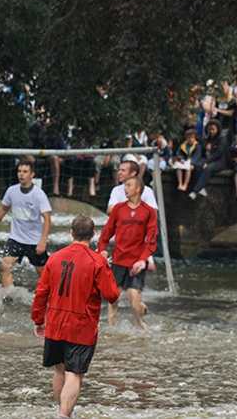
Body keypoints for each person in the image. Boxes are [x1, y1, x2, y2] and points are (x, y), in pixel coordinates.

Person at [31, 214, 119, 419]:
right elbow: (112, 295)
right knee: (74, 373)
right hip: (82, 325)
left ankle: (65, 412)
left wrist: (38, 319)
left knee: (59, 370)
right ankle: (63, 414)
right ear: (93, 235)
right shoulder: (97, 261)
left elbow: (41, 292)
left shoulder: (54, 258)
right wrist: (106, 265)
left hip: (54, 322)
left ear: (71, 233)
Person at [0, 159, 51, 302]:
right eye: (19, 171)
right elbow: (2, 209)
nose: (21, 174)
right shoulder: (12, 191)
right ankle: (8, 298)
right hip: (16, 238)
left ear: (32, 174)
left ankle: (49, 298)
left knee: (44, 274)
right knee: (5, 265)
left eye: (25, 172)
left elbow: (47, 218)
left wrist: (43, 241)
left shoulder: (39, 195)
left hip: (34, 241)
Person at [98, 177, 158, 330]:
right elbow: (107, 231)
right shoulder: (118, 209)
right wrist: (102, 249)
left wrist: (143, 259)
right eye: (125, 186)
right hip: (118, 259)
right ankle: (112, 330)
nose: (125, 188)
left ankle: (141, 325)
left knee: (134, 301)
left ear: (138, 189)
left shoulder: (149, 212)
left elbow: (151, 238)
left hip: (137, 261)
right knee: (113, 298)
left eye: (128, 185)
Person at [189, 119, 230, 199]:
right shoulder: (206, 138)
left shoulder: (222, 139)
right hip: (207, 158)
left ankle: (195, 190)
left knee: (208, 168)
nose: (211, 131)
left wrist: (207, 162)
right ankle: (201, 187)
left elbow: (218, 153)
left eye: (213, 129)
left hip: (218, 161)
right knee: (197, 166)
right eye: (210, 129)